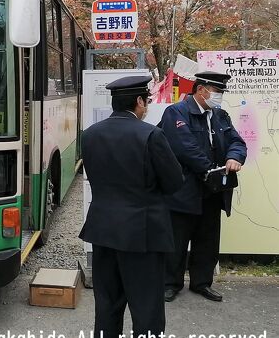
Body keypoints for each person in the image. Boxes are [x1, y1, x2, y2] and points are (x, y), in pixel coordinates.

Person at [80, 75, 183, 338]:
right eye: (146, 100)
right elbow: (173, 182)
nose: (147, 105)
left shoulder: (90, 134)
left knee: (107, 306)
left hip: (103, 231)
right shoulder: (151, 134)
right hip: (142, 235)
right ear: (138, 101)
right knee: (147, 309)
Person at [158, 71, 246, 303]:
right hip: (184, 188)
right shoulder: (176, 112)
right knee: (177, 240)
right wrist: (210, 170)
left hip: (213, 191)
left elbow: (237, 141)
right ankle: (170, 283)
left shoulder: (220, 116)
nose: (219, 97)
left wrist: (234, 157)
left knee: (207, 239)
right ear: (201, 90)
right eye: (217, 92)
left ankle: (202, 282)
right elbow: (183, 147)